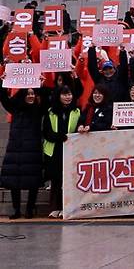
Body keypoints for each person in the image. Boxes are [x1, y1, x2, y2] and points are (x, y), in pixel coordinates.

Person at [0, 86, 47, 219]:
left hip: (32, 150)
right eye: (28, 94)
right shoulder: (15, 109)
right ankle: (16, 209)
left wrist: (40, 87)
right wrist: (3, 81)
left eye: (33, 94)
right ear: (23, 95)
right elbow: (4, 98)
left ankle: (30, 209)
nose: (31, 96)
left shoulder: (38, 110)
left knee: (33, 182)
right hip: (15, 149)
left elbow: (47, 101)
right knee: (14, 181)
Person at [42, 85, 80, 218]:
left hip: (71, 150)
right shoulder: (51, 112)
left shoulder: (77, 111)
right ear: (58, 96)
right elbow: (46, 132)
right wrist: (60, 137)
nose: (68, 97)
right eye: (64, 94)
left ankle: (66, 207)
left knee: (68, 180)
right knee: (56, 179)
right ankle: (54, 208)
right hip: (54, 150)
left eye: (69, 94)